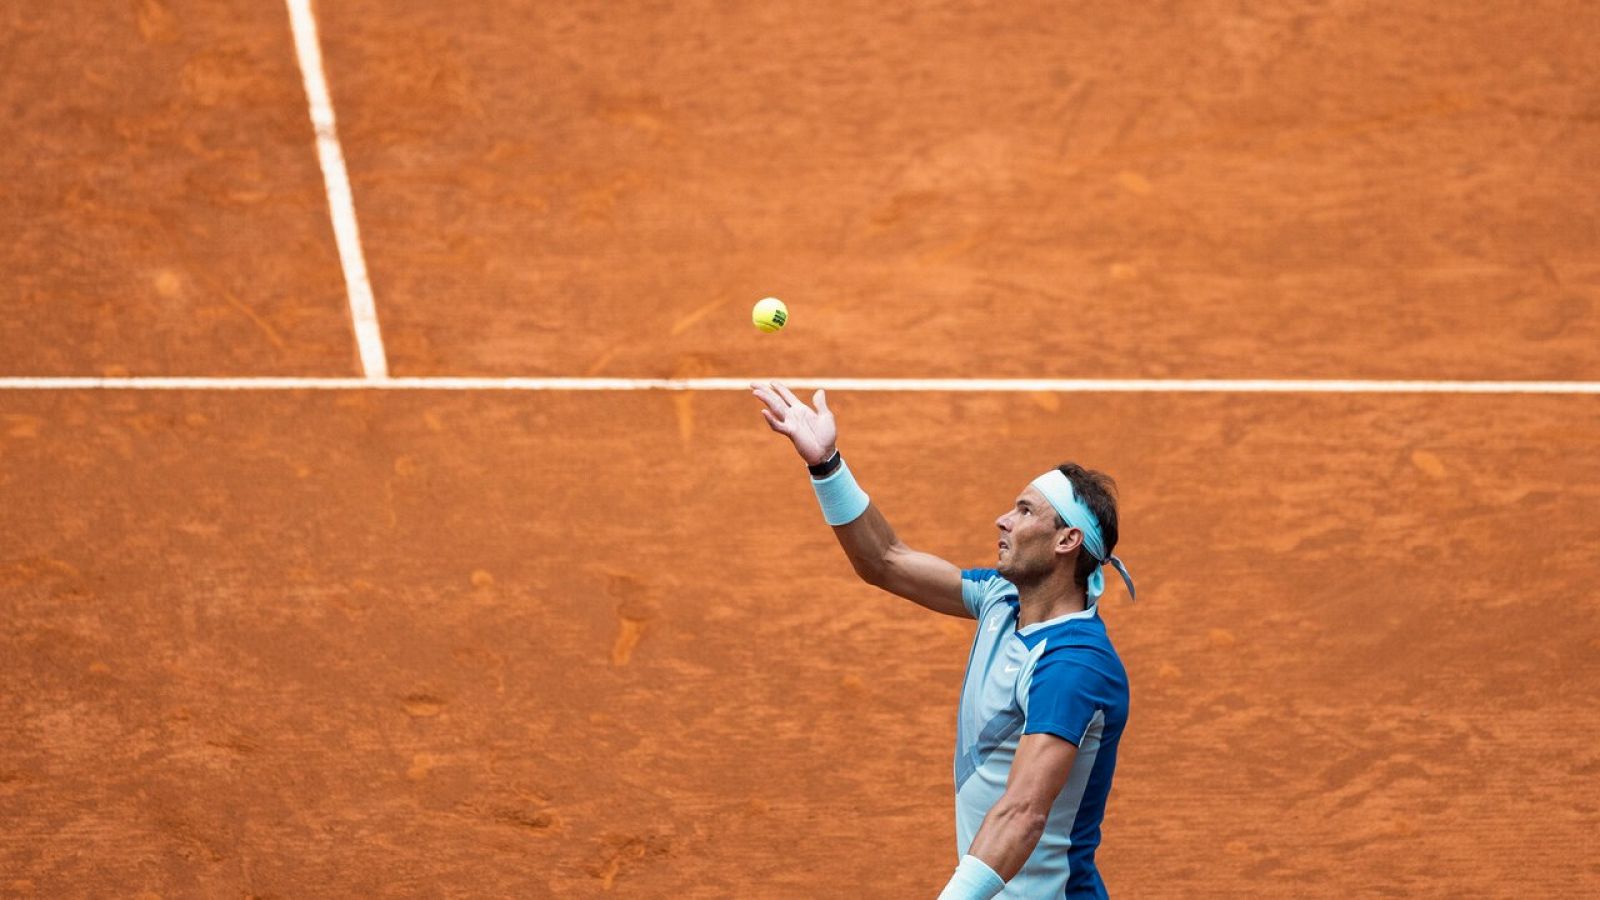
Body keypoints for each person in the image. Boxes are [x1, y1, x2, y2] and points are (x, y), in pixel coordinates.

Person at [751, 381, 1135, 899]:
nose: (1003, 519)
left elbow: (1023, 812)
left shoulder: (1073, 666)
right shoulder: (1002, 599)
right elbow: (885, 560)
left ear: (1067, 541)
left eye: (1024, 512)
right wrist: (827, 465)